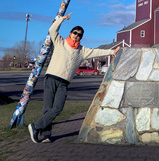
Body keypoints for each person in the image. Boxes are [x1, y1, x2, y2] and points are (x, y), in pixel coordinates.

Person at [28, 13, 120, 143]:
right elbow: (52, 30)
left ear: (81, 37)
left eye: (79, 34)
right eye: (75, 33)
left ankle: (35, 126)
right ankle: (46, 135)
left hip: (63, 83)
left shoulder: (82, 50)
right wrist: (62, 19)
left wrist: (112, 52)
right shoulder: (60, 42)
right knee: (47, 108)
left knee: (58, 108)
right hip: (51, 78)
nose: (76, 35)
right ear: (70, 33)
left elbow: (96, 51)